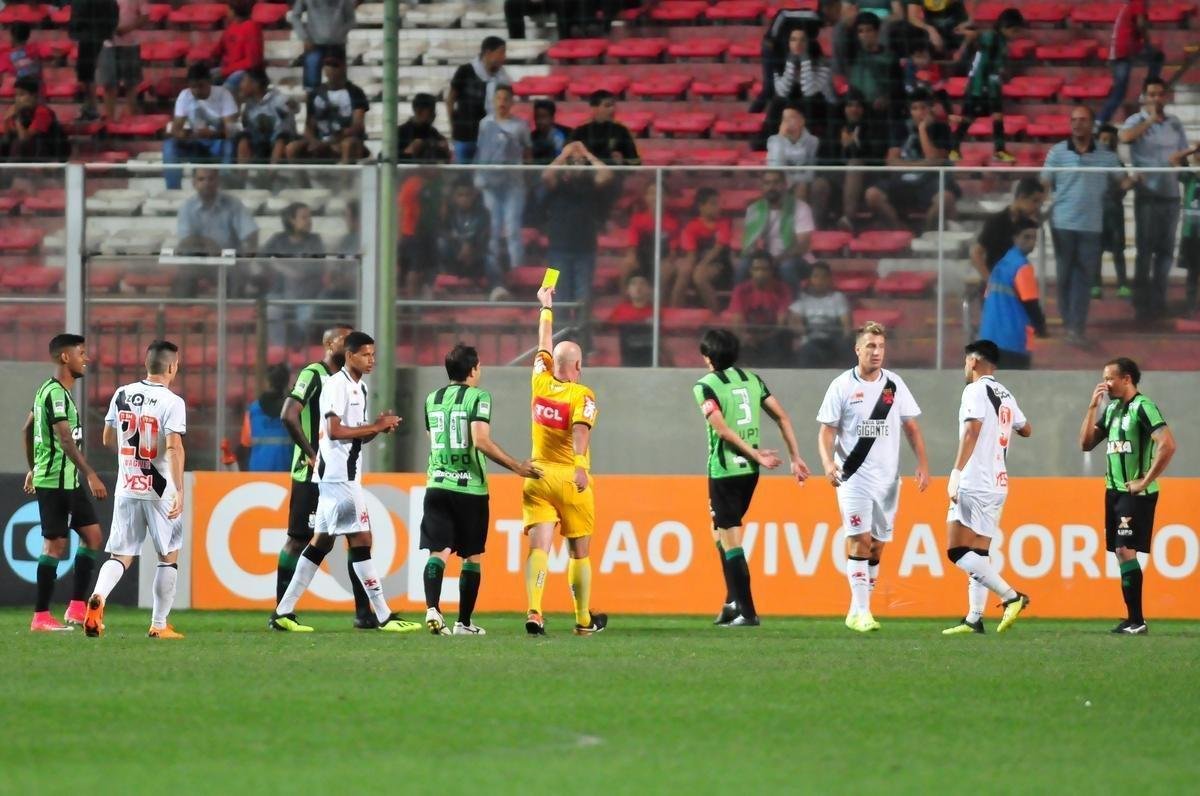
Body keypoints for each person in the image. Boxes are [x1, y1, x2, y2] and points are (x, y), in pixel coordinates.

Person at [270, 332, 420, 633]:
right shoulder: (336, 385)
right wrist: (375, 425)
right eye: (365, 354)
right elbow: (335, 431)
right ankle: (382, 614)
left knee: (320, 542)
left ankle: (283, 611)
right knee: (362, 540)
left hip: (339, 475)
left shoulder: (359, 388)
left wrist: (378, 429)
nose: (372, 359)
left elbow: (356, 435)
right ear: (349, 356)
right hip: (339, 477)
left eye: (373, 354)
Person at [817, 321, 930, 632]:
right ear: (858, 349)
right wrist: (828, 463)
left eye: (880, 347)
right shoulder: (841, 386)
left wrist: (922, 464)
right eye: (870, 346)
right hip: (852, 476)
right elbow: (826, 432)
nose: (876, 352)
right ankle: (864, 612)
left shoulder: (894, 385)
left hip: (888, 481)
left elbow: (912, 428)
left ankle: (856, 610)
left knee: (877, 546)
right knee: (859, 540)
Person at [420, 344, 541, 636]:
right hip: (470, 487)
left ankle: (432, 608)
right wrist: (516, 466)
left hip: (436, 483)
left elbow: (433, 437)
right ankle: (463, 622)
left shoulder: (432, 398)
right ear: (473, 370)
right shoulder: (479, 397)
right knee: (471, 556)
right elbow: (480, 440)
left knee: (438, 552)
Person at [695, 329, 810, 627]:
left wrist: (756, 454)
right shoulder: (752, 380)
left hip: (725, 470)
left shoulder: (705, 385)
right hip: (750, 473)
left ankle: (747, 611)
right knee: (717, 530)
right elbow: (782, 416)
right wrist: (796, 457)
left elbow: (722, 430)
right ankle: (732, 601)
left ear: (708, 357)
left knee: (730, 538)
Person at [85, 340, 187, 639]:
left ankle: (99, 597)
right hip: (159, 488)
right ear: (172, 367)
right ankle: (158, 624)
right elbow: (174, 447)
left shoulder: (122, 394)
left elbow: (107, 438)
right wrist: (178, 489)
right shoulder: (173, 401)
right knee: (168, 556)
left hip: (127, 485)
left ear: (147, 364)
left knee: (121, 555)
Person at [274, 325, 374, 628]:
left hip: (340, 474)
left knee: (357, 538)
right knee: (298, 539)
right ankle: (281, 611)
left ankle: (365, 613)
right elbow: (288, 414)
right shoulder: (314, 374)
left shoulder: (352, 384)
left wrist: (376, 427)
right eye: (344, 340)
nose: (349, 344)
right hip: (311, 472)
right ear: (330, 344)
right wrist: (310, 451)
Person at [522, 285, 606, 636]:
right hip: (569, 478)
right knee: (578, 551)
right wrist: (581, 467)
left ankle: (535, 610)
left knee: (540, 546)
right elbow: (580, 431)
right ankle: (583, 619)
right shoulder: (581, 394)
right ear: (578, 366)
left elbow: (543, 341)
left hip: (537, 474)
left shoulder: (539, 380)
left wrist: (546, 307)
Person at [1079, 357, 1177, 635]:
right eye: (1104, 378)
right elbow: (1086, 444)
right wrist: (1091, 408)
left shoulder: (1143, 408)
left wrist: (1145, 480)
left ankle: (1137, 621)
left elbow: (1167, 445)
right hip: (1114, 492)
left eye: (1110, 378)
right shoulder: (1111, 411)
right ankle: (1134, 619)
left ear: (1127, 379)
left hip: (1136, 493)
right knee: (1121, 554)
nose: (1105, 383)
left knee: (1124, 550)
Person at [942, 339, 1032, 635]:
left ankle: (1011, 596)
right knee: (979, 554)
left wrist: (955, 472)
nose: (965, 366)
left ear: (976, 361)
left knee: (956, 551)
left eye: (967, 361)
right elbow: (1026, 428)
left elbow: (971, 431)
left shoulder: (976, 389)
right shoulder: (1006, 393)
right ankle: (974, 618)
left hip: (975, 479)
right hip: (998, 483)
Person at [23, 334, 107, 632]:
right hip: (58, 480)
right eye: (81, 353)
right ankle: (41, 617)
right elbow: (66, 440)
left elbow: (28, 428)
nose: (86, 358)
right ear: (64, 358)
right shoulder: (56, 393)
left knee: (93, 536)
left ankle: (76, 608)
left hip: (65, 479)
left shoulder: (50, 391)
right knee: (55, 545)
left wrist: (34, 467)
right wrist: (91, 473)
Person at [1042, 105, 1122, 345]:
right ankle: (1070, 324)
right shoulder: (1057, 153)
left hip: (1091, 226)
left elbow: (1123, 180)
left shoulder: (1106, 155)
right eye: (1074, 120)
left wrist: (1138, 178)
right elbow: (1044, 182)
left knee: (1084, 279)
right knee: (1065, 275)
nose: (1077, 124)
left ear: (1092, 124)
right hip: (1062, 224)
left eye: (1083, 120)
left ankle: (1076, 326)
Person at [1120, 77, 1192, 321]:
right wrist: (1150, 118)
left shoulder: (1175, 123)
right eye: (1151, 94)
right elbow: (1125, 138)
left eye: (1160, 94)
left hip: (1171, 195)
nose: (1156, 99)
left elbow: (1181, 155)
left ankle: (1159, 300)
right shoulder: (1136, 120)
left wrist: (1188, 155)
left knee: (1165, 252)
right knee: (1145, 251)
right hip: (1147, 196)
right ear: (1144, 97)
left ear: (1166, 97)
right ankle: (1141, 302)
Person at [867, 89, 957, 231]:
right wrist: (920, 165)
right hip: (901, 180)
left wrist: (922, 129)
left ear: (930, 109)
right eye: (915, 108)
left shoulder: (942, 128)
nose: (919, 112)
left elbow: (934, 158)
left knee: (945, 199)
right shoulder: (900, 128)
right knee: (872, 194)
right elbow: (891, 161)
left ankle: (925, 235)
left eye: (923, 108)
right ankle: (899, 231)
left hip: (930, 181)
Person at [540, 140, 613, 306]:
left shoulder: (590, 185)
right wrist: (564, 155)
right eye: (572, 161)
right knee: (554, 294)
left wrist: (587, 154)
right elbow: (546, 175)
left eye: (579, 162)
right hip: (557, 250)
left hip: (585, 250)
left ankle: (582, 332)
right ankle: (557, 332)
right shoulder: (558, 185)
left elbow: (607, 175)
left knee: (584, 297)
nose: (576, 165)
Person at [475, 85, 531, 298]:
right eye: (498, 98)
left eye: (506, 98)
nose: (502, 102)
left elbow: (527, 152)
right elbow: (482, 152)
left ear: (511, 101)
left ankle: (517, 269)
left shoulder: (520, 126)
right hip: (490, 183)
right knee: (493, 227)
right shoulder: (485, 124)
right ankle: (495, 269)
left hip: (513, 184)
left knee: (512, 227)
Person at [951, 7, 1024, 162]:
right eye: (1015, 31)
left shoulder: (1003, 42)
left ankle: (999, 150)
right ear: (1006, 27)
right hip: (979, 85)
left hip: (993, 85)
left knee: (997, 116)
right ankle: (953, 147)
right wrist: (964, 31)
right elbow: (976, 36)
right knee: (968, 118)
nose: (1016, 35)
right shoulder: (992, 37)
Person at [978, 218, 1048, 370]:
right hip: (1011, 340)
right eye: (1026, 237)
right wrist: (1041, 327)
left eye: (1034, 237)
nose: (1031, 242)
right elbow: (1030, 303)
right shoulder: (1022, 266)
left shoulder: (1000, 265)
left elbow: (986, 298)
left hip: (988, 337)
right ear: (1015, 238)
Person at [825, 87, 890, 232]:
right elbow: (827, 159)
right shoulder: (835, 128)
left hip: (867, 177)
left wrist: (855, 145)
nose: (854, 109)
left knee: (855, 163)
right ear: (843, 108)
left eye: (858, 106)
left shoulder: (873, 127)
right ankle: (816, 230)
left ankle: (848, 219)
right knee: (819, 185)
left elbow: (877, 158)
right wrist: (841, 146)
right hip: (838, 177)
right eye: (849, 105)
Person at [164, 64, 237, 189]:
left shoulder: (223, 94)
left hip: (217, 141)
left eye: (201, 86)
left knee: (229, 145)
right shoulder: (185, 95)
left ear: (209, 82)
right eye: (193, 87)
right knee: (170, 145)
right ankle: (173, 190)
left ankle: (226, 187)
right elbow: (176, 129)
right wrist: (185, 134)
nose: (197, 90)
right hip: (195, 141)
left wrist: (212, 134)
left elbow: (231, 130)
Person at [262, 202, 326, 344]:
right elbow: (261, 260)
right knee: (271, 311)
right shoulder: (278, 239)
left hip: (307, 297)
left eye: (310, 217)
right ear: (291, 220)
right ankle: (279, 352)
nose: (309, 221)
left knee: (306, 318)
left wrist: (278, 265)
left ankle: (298, 353)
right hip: (279, 294)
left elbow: (303, 271)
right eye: (304, 217)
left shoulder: (315, 241)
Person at [287, 53, 368, 164]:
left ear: (343, 67)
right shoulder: (315, 94)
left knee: (347, 145)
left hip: (343, 139)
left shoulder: (355, 92)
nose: (330, 69)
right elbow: (308, 126)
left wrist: (335, 139)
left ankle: (344, 180)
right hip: (321, 139)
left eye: (335, 65)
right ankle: (303, 181)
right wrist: (314, 141)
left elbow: (358, 125)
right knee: (292, 148)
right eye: (327, 64)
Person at [739, 170, 815, 288]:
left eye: (776, 183)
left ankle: (794, 305)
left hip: (799, 259)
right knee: (744, 265)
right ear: (762, 186)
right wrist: (759, 259)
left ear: (785, 185)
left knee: (786, 266)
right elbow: (750, 243)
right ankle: (739, 304)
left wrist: (778, 259)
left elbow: (803, 245)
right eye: (767, 183)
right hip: (768, 258)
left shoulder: (801, 208)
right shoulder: (754, 209)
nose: (771, 187)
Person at [764, 27, 835, 144]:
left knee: (810, 101)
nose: (798, 44)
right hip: (792, 109)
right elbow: (782, 92)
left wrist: (805, 60)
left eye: (803, 40)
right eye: (793, 40)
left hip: (821, 108)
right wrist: (790, 64)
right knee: (777, 102)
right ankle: (770, 144)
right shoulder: (780, 64)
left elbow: (809, 91)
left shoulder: (822, 65)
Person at [447, 36, 511, 164]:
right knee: (464, 174)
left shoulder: (503, 78)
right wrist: (452, 124)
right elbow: (450, 99)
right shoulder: (465, 71)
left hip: (489, 136)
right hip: (464, 133)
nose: (504, 57)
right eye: (501, 52)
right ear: (488, 53)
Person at [969, 176, 1046, 282]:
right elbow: (976, 254)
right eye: (1035, 201)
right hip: (998, 281)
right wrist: (990, 281)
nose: (1038, 206)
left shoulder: (1030, 225)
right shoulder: (996, 221)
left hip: (1018, 282)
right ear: (1022, 197)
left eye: (1040, 203)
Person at [1098, 0, 1163, 124]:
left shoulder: (1130, 4)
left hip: (1123, 47)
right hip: (1126, 48)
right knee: (1119, 91)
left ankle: (1100, 121)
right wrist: (1147, 42)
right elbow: (1140, 24)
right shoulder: (1138, 1)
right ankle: (1146, 93)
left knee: (1119, 91)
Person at [767, 105, 831, 224]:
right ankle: (792, 228)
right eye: (784, 119)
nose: (787, 123)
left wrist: (796, 181)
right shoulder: (774, 141)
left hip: (805, 184)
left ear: (802, 121)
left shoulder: (813, 142)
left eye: (791, 118)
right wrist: (780, 139)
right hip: (782, 185)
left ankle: (810, 226)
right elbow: (775, 172)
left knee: (814, 185)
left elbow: (810, 173)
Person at [728, 253, 794, 368]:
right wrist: (745, 336)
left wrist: (763, 338)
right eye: (756, 269)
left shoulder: (782, 289)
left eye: (765, 269)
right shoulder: (741, 290)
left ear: (772, 271)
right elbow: (737, 322)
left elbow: (781, 323)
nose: (760, 273)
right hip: (749, 336)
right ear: (750, 271)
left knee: (782, 338)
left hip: (772, 336)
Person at [176, 168, 258, 256]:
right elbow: (185, 241)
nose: (206, 183)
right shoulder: (187, 207)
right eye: (201, 179)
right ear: (194, 183)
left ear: (218, 181)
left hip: (230, 262)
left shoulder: (233, 204)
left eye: (211, 179)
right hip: (198, 262)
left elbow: (250, 233)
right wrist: (208, 242)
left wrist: (249, 260)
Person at [675, 187, 732, 311]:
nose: (718, 207)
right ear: (701, 206)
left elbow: (718, 248)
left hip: (720, 266)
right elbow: (691, 255)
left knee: (699, 276)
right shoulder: (691, 227)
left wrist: (702, 265)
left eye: (718, 203)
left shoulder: (723, 223)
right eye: (713, 204)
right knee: (684, 271)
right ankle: (674, 313)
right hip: (699, 264)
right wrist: (688, 269)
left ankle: (716, 315)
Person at [787, 260, 852, 367]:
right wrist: (802, 331)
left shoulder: (838, 298)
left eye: (824, 277)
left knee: (846, 347)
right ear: (809, 279)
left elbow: (846, 324)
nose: (820, 280)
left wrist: (846, 336)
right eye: (816, 276)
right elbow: (794, 320)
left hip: (833, 338)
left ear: (830, 279)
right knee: (807, 350)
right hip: (810, 338)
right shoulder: (802, 299)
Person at [1096, 124, 1134, 299]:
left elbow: (1124, 187)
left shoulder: (1118, 162)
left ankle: (1123, 284)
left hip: (1114, 210)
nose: (1106, 143)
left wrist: (1127, 185)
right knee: (1096, 250)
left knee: (1118, 249)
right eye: (1103, 139)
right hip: (1096, 210)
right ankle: (1094, 284)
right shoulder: (1091, 161)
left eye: (1110, 140)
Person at [845, 12, 903, 124]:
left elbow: (898, 87)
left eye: (868, 30)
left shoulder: (890, 57)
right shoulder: (854, 55)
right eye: (860, 31)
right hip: (858, 110)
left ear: (877, 32)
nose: (865, 35)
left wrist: (886, 98)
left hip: (884, 112)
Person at [69, 0, 120, 122]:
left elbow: (78, 15)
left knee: (89, 73)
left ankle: (92, 109)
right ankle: (90, 108)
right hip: (96, 36)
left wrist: (77, 29)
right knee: (86, 73)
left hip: (91, 37)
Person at [620, 181, 679, 286]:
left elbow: (673, 250)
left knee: (667, 269)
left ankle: (661, 301)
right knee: (627, 265)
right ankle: (624, 301)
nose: (655, 197)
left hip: (662, 258)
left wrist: (669, 261)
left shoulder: (672, 222)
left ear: (666, 198)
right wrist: (631, 257)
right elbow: (632, 245)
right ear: (646, 197)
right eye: (651, 193)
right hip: (642, 258)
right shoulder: (637, 219)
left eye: (660, 194)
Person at [291, 0, 356, 94]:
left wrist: (339, 34)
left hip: (337, 44)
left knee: (338, 84)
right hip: (313, 44)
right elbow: (295, 16)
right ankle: (312, 106)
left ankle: (338, 107)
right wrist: (304, 37)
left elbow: (351, 19)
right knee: (311, 84)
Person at [238, 364, 293, 472]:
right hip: (288, 472)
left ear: (268, 383)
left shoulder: (253, 410)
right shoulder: (294, 409)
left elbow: (246, 442)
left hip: (258, 472)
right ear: (287, 383)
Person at [236, 69, 297, 165]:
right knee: (243, 140)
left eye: (244, 81)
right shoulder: (249, 103)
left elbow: (295, 109)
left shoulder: (278, 98)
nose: (241, 85)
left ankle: (270, 176)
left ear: (255, 84)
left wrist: (292, 105)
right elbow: (245, 125)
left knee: (280, 140)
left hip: (278, 138)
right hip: (259, 139)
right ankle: (241, 177)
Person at [1, 76, 69, 161]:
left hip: (50, 156)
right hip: (28, 155)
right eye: (16, 95)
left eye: (21, 94)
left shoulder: (42, 112)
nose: (17, 99)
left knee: (18, 144)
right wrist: (6, 119)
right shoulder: (21, 112)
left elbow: (24, 139)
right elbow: (7, 137)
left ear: (34, 96)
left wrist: (17, 117)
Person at [568, 89, 640, 165]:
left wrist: (623, 162)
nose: (612, 109)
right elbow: (567, 159)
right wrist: (577, 160)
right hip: (586, 175)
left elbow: (635, 162)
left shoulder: (621, 131)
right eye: (607, 106)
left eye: (613, 106)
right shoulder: (580, 132)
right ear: (594, 108)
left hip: (614, 175)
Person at [213, 0, 263, 94]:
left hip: (246, 73)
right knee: (204, 78)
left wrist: (225, 71)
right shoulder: (230, 28)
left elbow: (252, 62)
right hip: (228, 70)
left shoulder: (252, 27)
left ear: (232, 11)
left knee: (225, 91)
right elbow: (217, 51)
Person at [1174, 143, 1200, 316]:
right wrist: (1191, 149)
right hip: (1191, 233)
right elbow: (1173, 159)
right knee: (1192, 272)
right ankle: (1191, 307)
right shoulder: (1189, 176)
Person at [608, 275, 655, 366]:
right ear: (627, 290)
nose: (638, 287)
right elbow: (606, 329)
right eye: (634, 284)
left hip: (650, 362)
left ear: (649, 289)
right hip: (627, 361)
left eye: (642, 283)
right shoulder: (620, 310)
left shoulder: (656, 311)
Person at [396, 93, 451, 164]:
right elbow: (384, 157)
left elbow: (445, 162)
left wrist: (445, 151)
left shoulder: (434, 133)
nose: (434, 114)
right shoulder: (401, 132)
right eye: (431, 111)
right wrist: (408, 152)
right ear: (418, 111)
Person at [904, 0, 969, 57]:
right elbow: (913, 18)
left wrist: (961, 50)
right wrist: (930, 30)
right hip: (937, 33)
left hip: (959, 28)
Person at [531, 99, 569, 165]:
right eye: (537, 117)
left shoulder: (567, 133)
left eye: (543, 117)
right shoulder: (532, 137)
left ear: (552, 118)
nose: (539, 121)